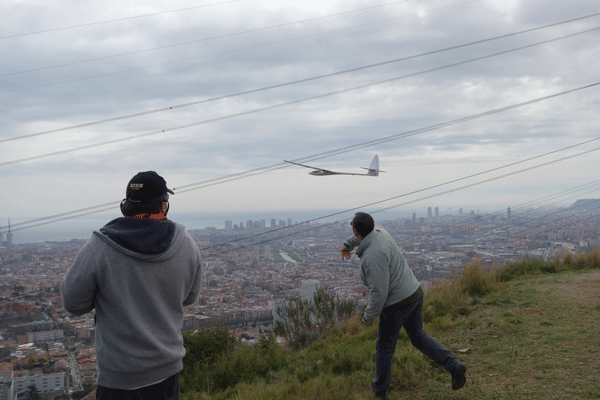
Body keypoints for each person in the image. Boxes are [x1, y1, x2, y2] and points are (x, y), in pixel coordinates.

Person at [61, 171, 202, 400]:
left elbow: (72, 302)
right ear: (163, 206)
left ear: (125, 207)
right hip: (167, 374)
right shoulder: (186, 243)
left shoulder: (100, 245)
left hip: (119, 379)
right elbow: (190, 297)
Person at [339, 212, 466, 399]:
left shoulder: (372, 257)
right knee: (419, 337)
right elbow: (362, 235)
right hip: (414, 292)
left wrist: (367, 318)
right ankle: (453, 365)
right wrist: (347, 245)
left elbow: (379, 293)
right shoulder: (380, 232)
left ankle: (379, 392)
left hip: (396, 304)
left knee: (384, 347)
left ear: (356, 230)